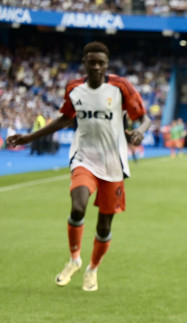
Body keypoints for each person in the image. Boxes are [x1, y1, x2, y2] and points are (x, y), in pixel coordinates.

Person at [7, 41, 149, 292]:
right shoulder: (74, 89)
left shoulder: (120, 87)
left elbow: (144, 118)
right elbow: (64, 118)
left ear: (107, 65)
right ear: (84, 63)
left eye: (100, 63)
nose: (95, 67)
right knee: (77, 206)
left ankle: (92, 270)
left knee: (104, 226)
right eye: (91, 62)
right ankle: (74, 259)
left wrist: (139, 131)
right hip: (84, 157)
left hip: (113, 163)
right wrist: (29, 137)